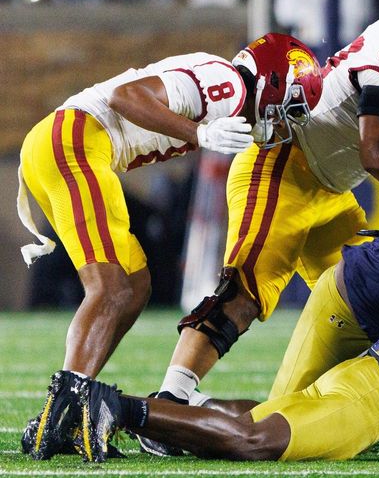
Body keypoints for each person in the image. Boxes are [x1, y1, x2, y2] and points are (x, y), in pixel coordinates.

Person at [139, 0, 379, 456]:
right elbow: (377, 152)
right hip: (284, 164)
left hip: (332, 189)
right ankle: (172, 399)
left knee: (369, 289)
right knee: (245, 289)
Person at [74, 187, 379, 463]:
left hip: (371, 373)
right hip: (377, 397)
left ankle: (159, 411)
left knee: (255, 422)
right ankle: (114, 408)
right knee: (257, 441)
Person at [17, 31, 321, 461]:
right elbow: (126, 96)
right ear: (271, 83)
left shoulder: (227, 87)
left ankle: (69, 413)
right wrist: (200, 133)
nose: (283, 121)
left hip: (67, 144)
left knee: (135, 285)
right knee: (111, 288)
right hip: (73, 142)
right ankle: (59, 418)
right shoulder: (228, 84)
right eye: (289, 107)